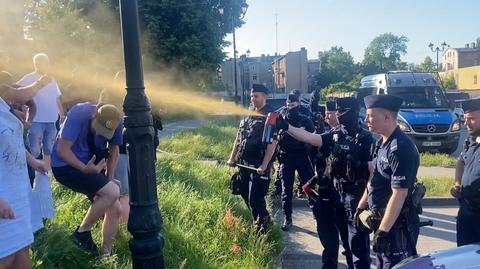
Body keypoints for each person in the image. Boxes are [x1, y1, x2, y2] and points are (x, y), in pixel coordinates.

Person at [277, 97, 374, 268]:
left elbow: (374, 174)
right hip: (332, 195)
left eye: (341, 111)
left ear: (352, 112)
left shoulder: (366, 139)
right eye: (336, 111)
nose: (338, 114)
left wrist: (363, 204)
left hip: (354, 198)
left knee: (356, 249)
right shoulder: (335, 135)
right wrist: (286, 126)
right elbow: (309, 138)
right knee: (329, 246)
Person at [51, 101, 123, 256]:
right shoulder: (79, 113)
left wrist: (109, 179)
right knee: (112, 193)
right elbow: (62, 150)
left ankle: (105, 255)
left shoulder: (117, 119)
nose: (101, 135)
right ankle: (81, 234)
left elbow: (114, 150)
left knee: (115, 208)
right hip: (64, 166)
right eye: (100, 129)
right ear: (94, 115)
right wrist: (85, 169)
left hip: (90, 166)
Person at [357, 94, 420, 269]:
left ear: (386, 117)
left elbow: (399, 194)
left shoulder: (401, 148)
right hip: (383, 222)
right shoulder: (381, 143)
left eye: (370, 115)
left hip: (397, 227)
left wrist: (383, 231)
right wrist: (361, 207)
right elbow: (374, 178)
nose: (366, 119)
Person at [0, 73, 49, 269]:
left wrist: (31, 161)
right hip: (3, 196)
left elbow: (9, 141)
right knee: (6, 256)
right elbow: (21, 93)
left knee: (22, 250)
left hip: (16, 191)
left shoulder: (3, 105)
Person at [227, 84, 277, 233]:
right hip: (243, 162)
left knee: (255, 198)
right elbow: (239, 136)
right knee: (243, 192)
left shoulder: (270, 116)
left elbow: (272, 142)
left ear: (265, 97)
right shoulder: (248, 113)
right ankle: (262, 217)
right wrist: (232, 157)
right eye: (251, 96)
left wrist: (265, 164)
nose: (253, 99)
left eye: (256, 96)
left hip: (259, 164)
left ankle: (261, 228)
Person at [16, 53, 65, 167]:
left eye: (46, 62)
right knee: (34, 150)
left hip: (52, 121)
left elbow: (57, 99)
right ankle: (31, 174)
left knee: (49, 149)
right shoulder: (28, 78)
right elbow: (16, 90)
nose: (44, 65)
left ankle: (45, 175)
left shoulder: (52, 80)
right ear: (35, 64)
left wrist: (61, 115)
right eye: (41, 62)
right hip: (36, 120)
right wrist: (23, 105)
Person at [277, 91, 315, 231]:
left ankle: (317, 216)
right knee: (286, 189)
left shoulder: (305, 120)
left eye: (293, 104)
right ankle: (288, 218)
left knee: (309, 188)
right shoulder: (282, 119)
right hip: (286, 157)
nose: (290, 107)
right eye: (288, 104)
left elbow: (313, 138)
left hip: (302, 156)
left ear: (298, 104)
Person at [451, 97, 480, 246]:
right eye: (465, 119)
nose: (466, 123)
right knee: (464, 255)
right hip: (466, 210)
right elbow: (461, 162)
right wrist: (458, 184)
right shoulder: (470, 140)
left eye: (472, 119)